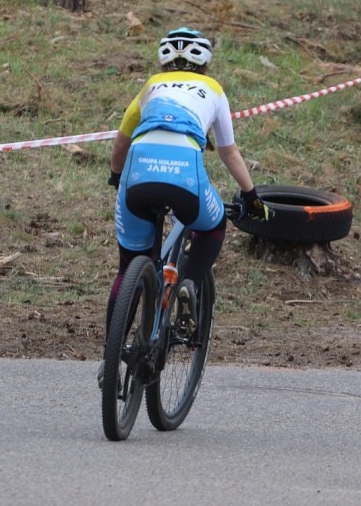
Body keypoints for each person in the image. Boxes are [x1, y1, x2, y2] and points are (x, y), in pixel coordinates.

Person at [102, 27, 269, 374]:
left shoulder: (150, 88)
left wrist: (118, 178)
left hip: (138, 171)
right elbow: (228, 151)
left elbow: (120, 144)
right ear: (205, 62)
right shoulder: (214, 90)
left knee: (128, 267)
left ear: (164, 61)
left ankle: (110, 356)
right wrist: (251, 195)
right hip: (185, 174)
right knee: (213, 226)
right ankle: (190, 283)